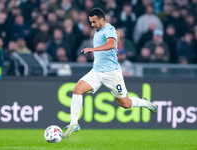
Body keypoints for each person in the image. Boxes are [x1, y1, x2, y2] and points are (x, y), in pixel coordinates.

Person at [63, 7, 158, 138]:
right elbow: (117, 36)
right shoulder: (104, 29)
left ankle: (145, 103)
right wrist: (117, 47)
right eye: (90, 22)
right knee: (77, 90)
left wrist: (94, 49)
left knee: (126, 104)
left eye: (94, 22)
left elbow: (111, 44)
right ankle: (74, 123)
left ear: (102, 20)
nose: (92, 25)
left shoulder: (108, 29)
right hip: (96, 71)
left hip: (112, 74)